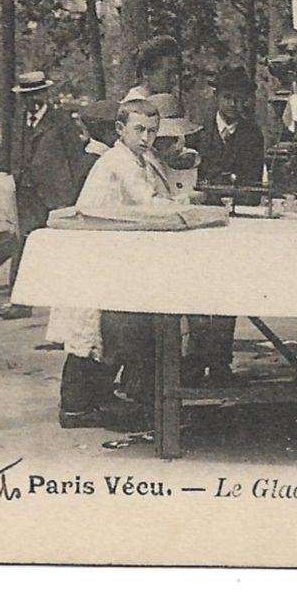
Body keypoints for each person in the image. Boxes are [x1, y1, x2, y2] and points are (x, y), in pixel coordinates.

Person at [49, 97, 181, 428]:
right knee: (90, 331)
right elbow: (147, 203)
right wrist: (180, 207)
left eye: (153, 131)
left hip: (112, 253)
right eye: (139, 130)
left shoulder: (140, 159)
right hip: (94, 253)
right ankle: (75, 408)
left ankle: (99, 395)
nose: (147, 137)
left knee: (112, 330)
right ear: (120, 129)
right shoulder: (118, 161)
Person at [185, 63, 266, 385]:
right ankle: (193, 359)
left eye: (241, 100)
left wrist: (237, 197)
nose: (235, 106)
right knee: (196, 292)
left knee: (226, 291)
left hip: (232, 222)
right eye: (229, 98)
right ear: (216, 97)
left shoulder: (252, 134)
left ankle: (220, 359)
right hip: (200, 224)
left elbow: (251, 184)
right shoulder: (197, 132)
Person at [10, 71, 92, 274]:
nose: (33, 99)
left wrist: (74, 195)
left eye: (38, 93)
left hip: (56, 195)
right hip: (25, 195)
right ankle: (20, 296)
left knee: (54, 246)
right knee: (25, 243)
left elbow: (76, 159)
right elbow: (13, 153)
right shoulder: (19, 120)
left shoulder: (61, 121)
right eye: (28, 95)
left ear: (46, 94)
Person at [123, 34, 180, 102]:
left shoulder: (159, 101)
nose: (173, 80)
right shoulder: (135, 107)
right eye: (168, 74)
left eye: (175, 74)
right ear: (146, 73)